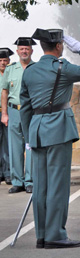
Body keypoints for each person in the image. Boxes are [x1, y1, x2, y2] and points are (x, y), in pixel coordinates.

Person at [20, 28, 80, 249]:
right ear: (58, 46)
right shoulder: (63, 67)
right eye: (64, 45)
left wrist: (29, 136)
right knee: (57, 185)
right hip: (58, 130)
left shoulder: (30, 71)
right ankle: (55, 235)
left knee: (41, 186)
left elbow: (25, 108)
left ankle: (42, 235)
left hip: (37, 132)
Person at [1, 37, 35, 194]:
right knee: (14, 147)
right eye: (21, 49)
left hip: (31, 111)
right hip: (14, 110)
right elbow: (5, 92)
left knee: (31, 146)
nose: (24, 51)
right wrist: (4, 113)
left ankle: (30, 181)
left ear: (31, 51)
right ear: (17, 51)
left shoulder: (37, 68)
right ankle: (17, 181)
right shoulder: (10, 69)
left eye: (27, 48)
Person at [0, 48, 13, 185]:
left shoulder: (11, 73)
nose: (3, 63)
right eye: (1, 61)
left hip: (8, 112)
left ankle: (8, 172)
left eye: (5, 60)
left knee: (8, 144)